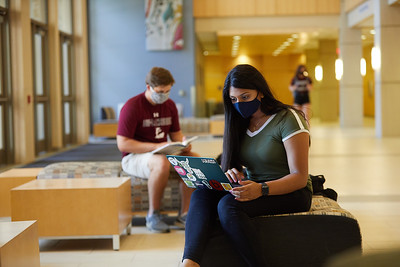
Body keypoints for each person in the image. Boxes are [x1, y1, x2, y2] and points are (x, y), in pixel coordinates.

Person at [181, 64, 312, 267]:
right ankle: (189, 262)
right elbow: (239, 164)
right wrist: (234, 171)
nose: (239, 103)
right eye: (233, 99)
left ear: (260, 92)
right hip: (254, 184)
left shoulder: (288, 119)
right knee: (202, 193)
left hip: (291, 191)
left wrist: (262, 189)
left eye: (245, 97)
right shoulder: (240, 122)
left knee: (228, 206)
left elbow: (299, 176)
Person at [117, 67, 198, 233]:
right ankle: (153, 215)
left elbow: (176, 135)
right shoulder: (132, 106)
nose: (164, 95)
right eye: (160, 91)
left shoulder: (169, 106)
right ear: (149, 87)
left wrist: (183, 143)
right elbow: (123, 144)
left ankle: (185, 214)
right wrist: (156, 147)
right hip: (134, 156)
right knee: (161, 163)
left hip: (161, 152)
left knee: (193, 158)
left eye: (167, 91)